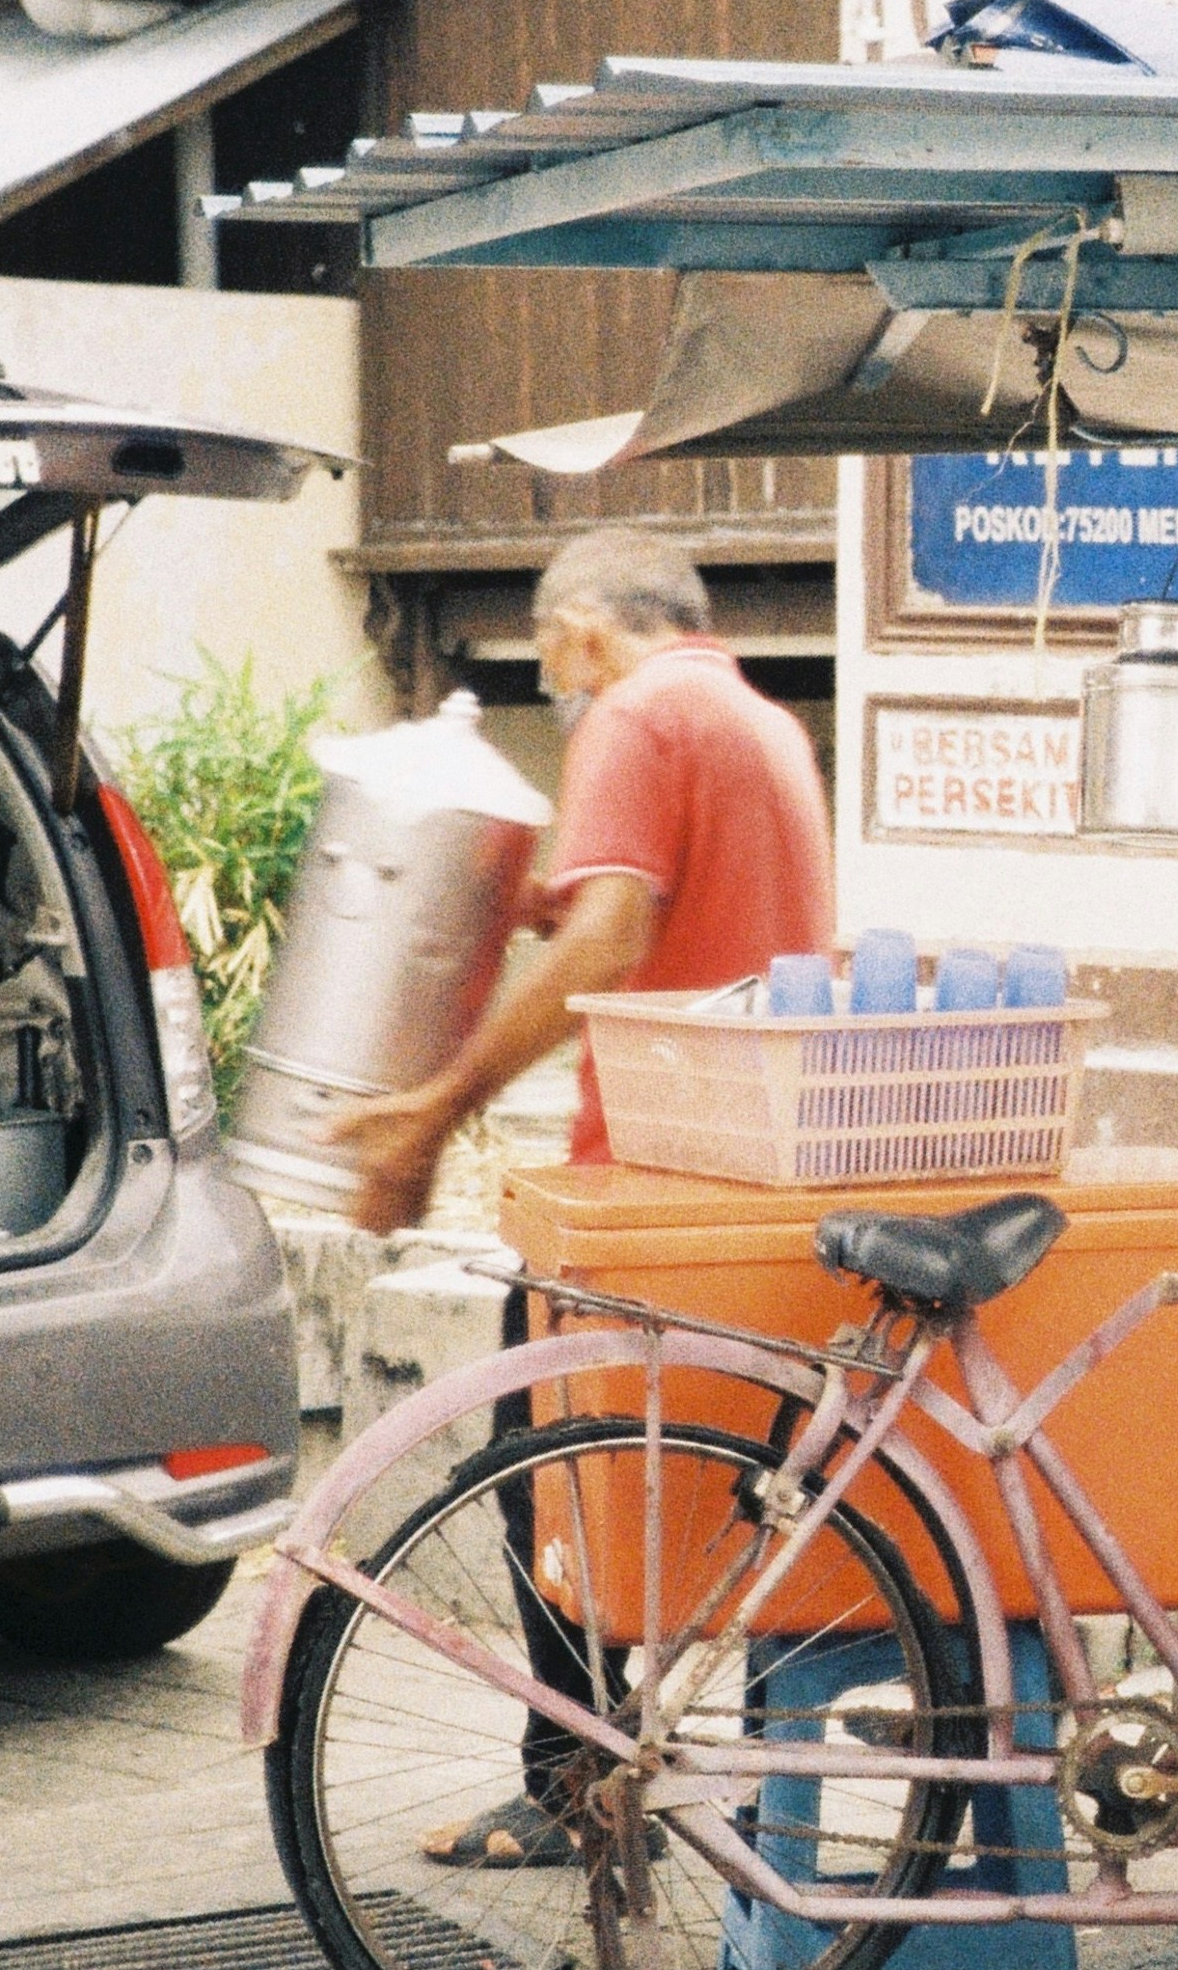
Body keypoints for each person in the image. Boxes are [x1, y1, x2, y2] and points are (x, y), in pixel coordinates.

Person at [325, 526, 831, 1867]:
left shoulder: (634, 714)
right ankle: (602, 1759)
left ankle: (573, 1776)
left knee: (524, 1469)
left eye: (546, 652)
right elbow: (650, 914)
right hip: (745, 1178)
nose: (552, 678)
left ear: (581, 632)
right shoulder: (754, 720)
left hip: (642, 1186)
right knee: (612, 1474)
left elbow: (616, 935)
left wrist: (432, 1105)